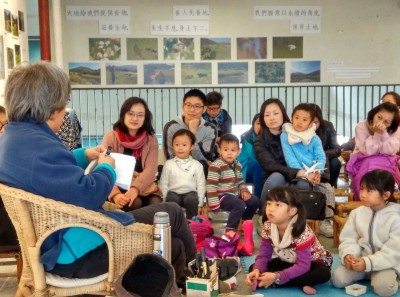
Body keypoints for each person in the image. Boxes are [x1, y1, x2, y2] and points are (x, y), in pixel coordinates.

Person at [0, 62, 196, 283]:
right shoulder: (41, 146)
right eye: (63, 105)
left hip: (55, 243)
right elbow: (89, 194)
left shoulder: (14, 138)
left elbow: (47, 171)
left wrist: (85, 156)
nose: (64, 112)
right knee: (173, 214)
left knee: (175, 244)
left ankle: (188, 279)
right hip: (78, 251)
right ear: (52, 108)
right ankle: (199, 275)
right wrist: (106, 168)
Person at [245, 186, 332, 295]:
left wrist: (276, 276)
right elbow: (264, 256)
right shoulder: (268, 227)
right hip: (290, 261)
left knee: (323, 274)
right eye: (269, 203)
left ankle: (273, 282)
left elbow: (304, 266)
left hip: (313, 263)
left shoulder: (301, 231)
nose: (271, 209)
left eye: (278, 205)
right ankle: (300, 282)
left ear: (292, 211)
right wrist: (257, 271)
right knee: (253, 268)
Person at [331, 169, 400, 297]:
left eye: (369, 191)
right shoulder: (357, 213)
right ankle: (368, 275)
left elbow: (394, 252)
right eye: (362, 189)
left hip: (386, 264)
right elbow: (349, 239)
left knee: (384, 288)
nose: (362, 194)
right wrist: (348, 255)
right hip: (360, 260)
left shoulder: (396, 216)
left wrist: (368, 263)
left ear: (385, 195)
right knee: (337, 279)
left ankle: (392, 276)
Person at [103, 97, 162, 210]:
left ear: (145, 118)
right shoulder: (110, 138)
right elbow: (105, 166)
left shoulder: (151, 139)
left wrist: (135, 189)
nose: (135, 118)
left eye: (140, 115)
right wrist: (115, 195)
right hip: (117, 186)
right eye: (131, 114)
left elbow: (151, 170)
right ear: (123, 115)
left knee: (156, 203)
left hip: (143, 187)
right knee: (133, 203)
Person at [207, 134, 259, 238]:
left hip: (234, 195)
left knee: (254, 201)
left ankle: (244, 222)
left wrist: (244, 190)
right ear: (220, 150)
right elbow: (211, 186)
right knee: (239, 205)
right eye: (226, 150)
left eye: (233, 150)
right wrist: (214, 204)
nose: (229, 153)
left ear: (238, 152)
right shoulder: (215, 166)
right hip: (221, 196)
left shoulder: (238, 165)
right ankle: (230, 231)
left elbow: (240, 181)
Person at [346, 102, 400, 200]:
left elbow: (390, 150)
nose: (381, 123)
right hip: (363, 158)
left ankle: (385, 199)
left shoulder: (397, 130)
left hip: (387, 160)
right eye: (379, 118)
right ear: (374, 113)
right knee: (369, 165)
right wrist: (377, 135)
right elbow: (368, 151)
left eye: (386, 122)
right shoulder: (361, 126)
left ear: (391, 124)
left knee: (386, 175)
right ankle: (365, 198)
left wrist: (382, 133)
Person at [163, 88, 218, 175]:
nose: (192, 110)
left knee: (204, 165)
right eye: (188, 105)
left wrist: (193, 133)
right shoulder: (171, 127)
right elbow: (170, 158)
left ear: (204, 109)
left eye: (197, 106)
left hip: (200, 172)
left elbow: (204, 159)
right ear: (182, 106)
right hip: (176, 172)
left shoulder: (210, 129)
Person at [159, 129, 206, 219]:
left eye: (184, 145)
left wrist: (200, 202)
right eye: (177, 145)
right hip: (173, 193)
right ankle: (174, 225)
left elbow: (201, 185)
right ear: (172, 146)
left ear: (191, 146)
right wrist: (164, 199)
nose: (180, 148)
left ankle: (191, 225)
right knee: (171, 201)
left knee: (192, 200)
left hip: (190, 193)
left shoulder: (197, 165)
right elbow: (163, 182)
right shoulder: (169, 164)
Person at [309, 104, 342, 188]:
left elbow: (337, 149)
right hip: (304, 159)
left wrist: (322, 154)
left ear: (320, 120)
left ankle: (328, 187)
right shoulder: (300, 127)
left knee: (335, 163)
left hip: (324, 159)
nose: (313, 126)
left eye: (316, 122)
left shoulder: (328, 126)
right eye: (310, 121)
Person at [238, 113, 264, 198]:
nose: (260, 126)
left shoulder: (267, 138)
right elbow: (254, 158)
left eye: (263, 124)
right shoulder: (248, 138)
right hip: (244, 167)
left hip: (256, 169)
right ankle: (258, 198)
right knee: (258, 166)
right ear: (253, 124)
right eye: (258, 123)